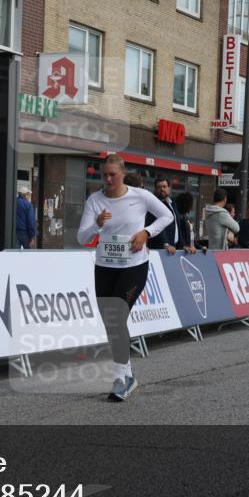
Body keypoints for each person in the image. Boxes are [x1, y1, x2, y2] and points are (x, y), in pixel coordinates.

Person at [76, 154, 173, 402]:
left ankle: (120, 378)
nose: (108, 179)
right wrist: (96, 225)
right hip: (105, 267)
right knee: (111, 323)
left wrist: (145, 233)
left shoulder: (139, 197)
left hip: (133, 267)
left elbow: (166, 216)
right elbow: (81, 238)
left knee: (117, 317)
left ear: (122, 173)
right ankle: (128, 374)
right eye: (104, 175)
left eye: (113, 175)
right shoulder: (95, 201)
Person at [146, 177, 184, 255]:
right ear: (155, 189)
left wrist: (183, 245)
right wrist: (166, 244)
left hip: (175, 248)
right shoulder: (153, 204)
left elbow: (177, 227)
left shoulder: (172, 203)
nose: (162, 189)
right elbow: (158, 227)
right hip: (161, 250)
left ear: (169, 188)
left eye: (164, 186)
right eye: (159, 187)